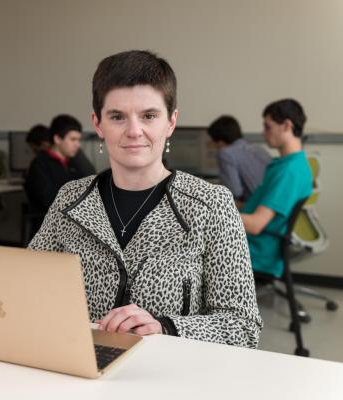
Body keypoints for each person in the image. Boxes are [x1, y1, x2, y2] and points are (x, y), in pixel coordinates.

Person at [28, 50, 262, 348]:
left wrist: (164, 327)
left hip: (171, 380)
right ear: (98, 124)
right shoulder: (71, 199)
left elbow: (244, 327)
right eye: (117, 117)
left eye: (149, 116)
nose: (134, 131)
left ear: (171, 122)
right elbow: (28, 289)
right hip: (79, 369)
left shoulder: (211, 204)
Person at [240, 99, 312, 279]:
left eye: (268, 127)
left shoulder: (290, 172)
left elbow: (256, 224)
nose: (263, 133)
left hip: (255, 252)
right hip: (252, 243)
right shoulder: (286, 164)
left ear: (286, 125)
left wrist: (211, 213)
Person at [23, 115, 94, 228]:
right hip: (51, 226)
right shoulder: (40, 165)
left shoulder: (74, 163)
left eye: (78, 139)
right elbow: (51, 201)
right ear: (57, 139)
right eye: (72, 139)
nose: (77, 144)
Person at [207, 115, 271, 202]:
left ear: (220, 141)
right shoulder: (258, 149)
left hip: (252, 206)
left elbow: (235, 191)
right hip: (269, 203)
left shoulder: (225, 153)